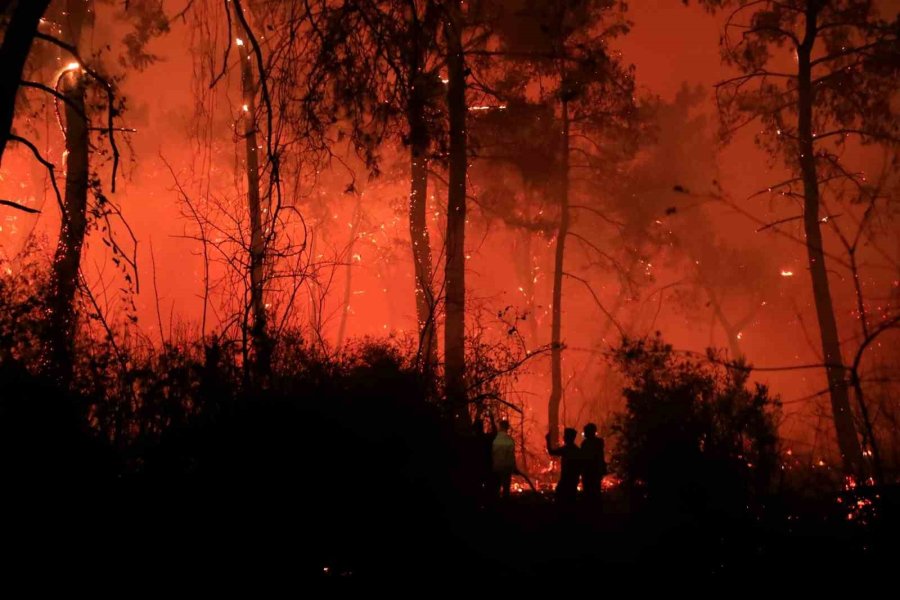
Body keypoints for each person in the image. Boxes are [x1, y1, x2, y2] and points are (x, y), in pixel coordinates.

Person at [546, 428, 581, 504]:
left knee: (560, 495)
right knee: (571, 498)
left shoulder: (566, 449)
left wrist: (548, 440)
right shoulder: (577, 450)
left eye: (565, 436)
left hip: (566, 478)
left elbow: (551, 452)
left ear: (569, 437)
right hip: (574, 479)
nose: (563, 437)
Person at [580, 423, 606, 506]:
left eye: (586, 431)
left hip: (590, 471)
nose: (584, 433)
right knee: (595, 490)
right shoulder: (599, 442)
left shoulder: (586, 443)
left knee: (590, 491)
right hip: (593, 471)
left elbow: (584, 457)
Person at [491, 419, 517, 500]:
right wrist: (514, 467)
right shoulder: (510, 440)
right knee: (506, 490)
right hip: (506, 468)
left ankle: (495, 507)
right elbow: (511, 456)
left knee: (495, 489)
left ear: (500, 427)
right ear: (507, 428)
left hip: (496, 467)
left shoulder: (494, 439)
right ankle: (505, 506)